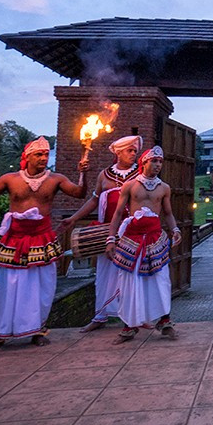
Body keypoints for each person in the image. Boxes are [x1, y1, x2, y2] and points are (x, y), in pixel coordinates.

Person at [0, 137, 89, 348]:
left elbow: (79, 194)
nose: (44, 158)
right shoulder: (10, 179)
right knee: (7, 285)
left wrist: (83, 173)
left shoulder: (55, 179)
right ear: (27, 157)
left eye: (45, 154)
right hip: (14, 239)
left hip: (41, 238)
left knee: (40, 286)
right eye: (39, 154)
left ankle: (37, 330)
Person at [62, 135, 142, 332]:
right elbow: (93, 201)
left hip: (132, 232)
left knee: (133, 275)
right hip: (108, 232)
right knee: (105, 275)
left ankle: (133, 317)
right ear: (118, 152)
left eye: (135, 151)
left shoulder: (140, 175)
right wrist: (73, 218)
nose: (134, 154)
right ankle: (100, 316)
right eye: (129, 151)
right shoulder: (104, 175)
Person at [105, 146, 183, 342]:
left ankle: (165, 321)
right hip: (133, 238)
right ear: (144, 162)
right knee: (131, 282)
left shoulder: (164, 188)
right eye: (154, 161)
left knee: (160, 280)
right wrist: (111, 238)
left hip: (155, 238)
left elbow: (168, 213)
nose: (157, 165)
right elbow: (117, 214)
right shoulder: (130, 186)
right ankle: (129, 326)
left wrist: (176, 230)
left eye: (160, 162)